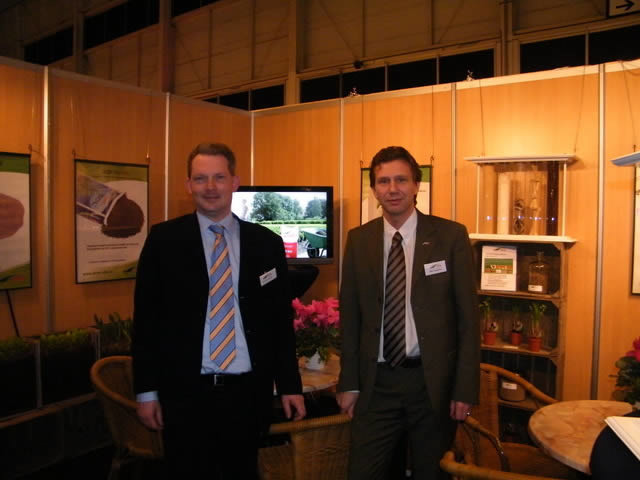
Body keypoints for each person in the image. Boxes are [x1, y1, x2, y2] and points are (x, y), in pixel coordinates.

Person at [132, 142, 306, 479]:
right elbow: (147, 323)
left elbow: (279, 323)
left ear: (235, 182)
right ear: (188, 185)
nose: (210, 187)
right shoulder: (163, 240)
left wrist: (290, 385)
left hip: (247, 394)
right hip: (185, 395)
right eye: (200, 179)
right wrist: (146, 392)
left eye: (219, 177)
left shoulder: (266, 243)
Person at [337, 146, 480, 480]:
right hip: (377, 384)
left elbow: (468, 321)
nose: (393, 189)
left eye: (401, 180)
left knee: (431, 472)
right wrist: (349, 383)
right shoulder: (359, 240)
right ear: (374, 190)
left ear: (417, 185)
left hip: (431, 385)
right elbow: (351, 319)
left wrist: (465, 389)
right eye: (383, 181)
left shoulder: (450, 237)